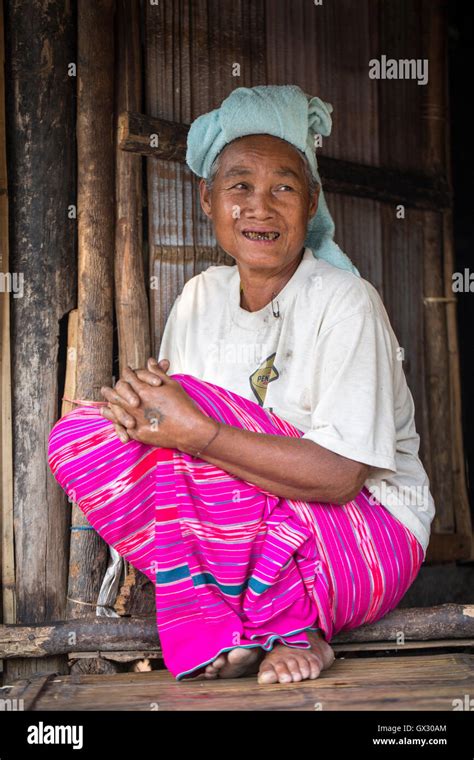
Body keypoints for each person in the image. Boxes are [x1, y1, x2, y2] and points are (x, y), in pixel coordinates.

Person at [48, 85, 434, 685]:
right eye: (240, 186)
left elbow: (339, 478)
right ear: (207, 199)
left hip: (361, 539)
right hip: (252, 538)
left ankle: (282, 624)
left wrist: (194, 430)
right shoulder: (200, 297)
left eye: (284, 187)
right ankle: (256, 624)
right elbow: (169, 442)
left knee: (189, 416)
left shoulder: (346, 302)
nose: (261, 206)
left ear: (311, 203)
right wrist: (138, 415)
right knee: (80, 437)